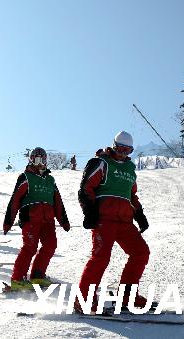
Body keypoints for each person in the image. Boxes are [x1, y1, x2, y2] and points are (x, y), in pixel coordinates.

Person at [75, 131, 150, 314]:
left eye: (128, 150)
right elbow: (86, 189)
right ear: (114, 146)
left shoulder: (130, 169)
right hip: (104, 220)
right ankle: (83, 300)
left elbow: (132, 195)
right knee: (101, 257)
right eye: (120, 148)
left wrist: (139, 214)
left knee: (141, 252)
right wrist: (90, 212)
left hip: (124, 222)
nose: (123, 153)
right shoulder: (101, 163)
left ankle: (127, 296)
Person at [3, 147, 70, 291]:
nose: (40, 163)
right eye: (37, 159)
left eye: (43, 159)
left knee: (50, 245)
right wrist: (8, 221)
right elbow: (15, 199)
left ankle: (37, 275)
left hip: (48, 220)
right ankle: (18, 279)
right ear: (31, 160)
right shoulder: (26, 177)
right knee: (30, 247)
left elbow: (58, 201)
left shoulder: (50, 179)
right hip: (31, 218)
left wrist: (63, 220)